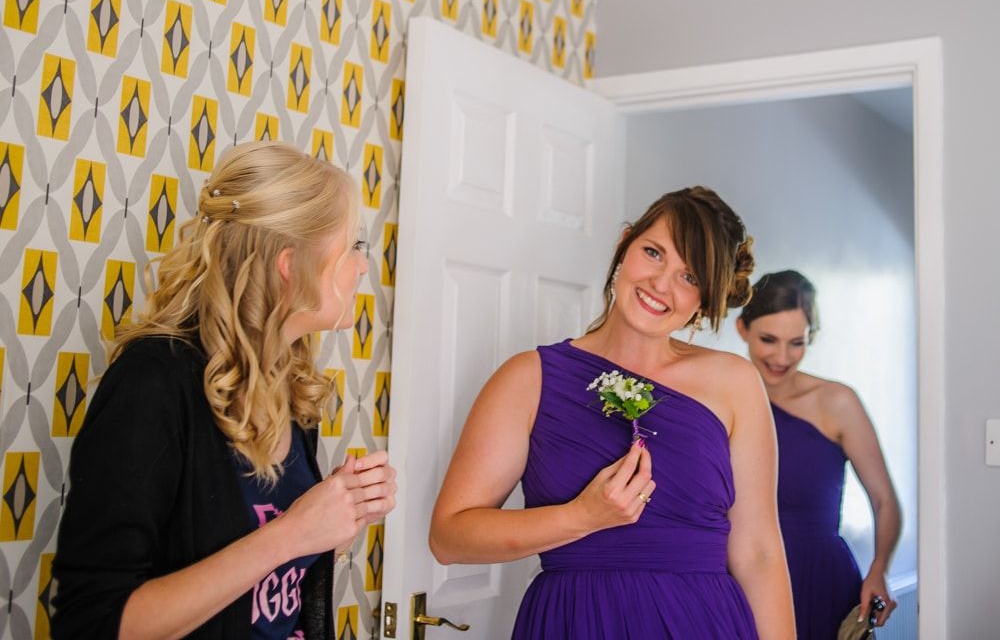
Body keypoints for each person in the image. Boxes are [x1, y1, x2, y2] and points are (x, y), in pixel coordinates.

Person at [52, 141, 397, 639]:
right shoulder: (153, 384)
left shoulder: (290, 387)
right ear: (288, 265)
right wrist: (293, 532)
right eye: (352, 249)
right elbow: (96, 623)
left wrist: (338, 513)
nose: (362, 268)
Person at [430, 186, 795, 639]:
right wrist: (582, 516)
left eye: (690, 276)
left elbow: (759, 551)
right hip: (575, 621)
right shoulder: (528, 378)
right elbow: (449, 538)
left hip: (703, 622)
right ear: (625, 243)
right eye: (653, 252)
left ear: (706, 299)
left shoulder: (734, 382)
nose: (661, 284)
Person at [736, 270, 901, 639]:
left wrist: (879, 570)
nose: (782, 356)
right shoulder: (722, 400)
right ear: (741, 328)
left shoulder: (837, 402)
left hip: (820, 578)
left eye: (797, 342)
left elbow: (884, 500)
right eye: (768, 339)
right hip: (740, 578)